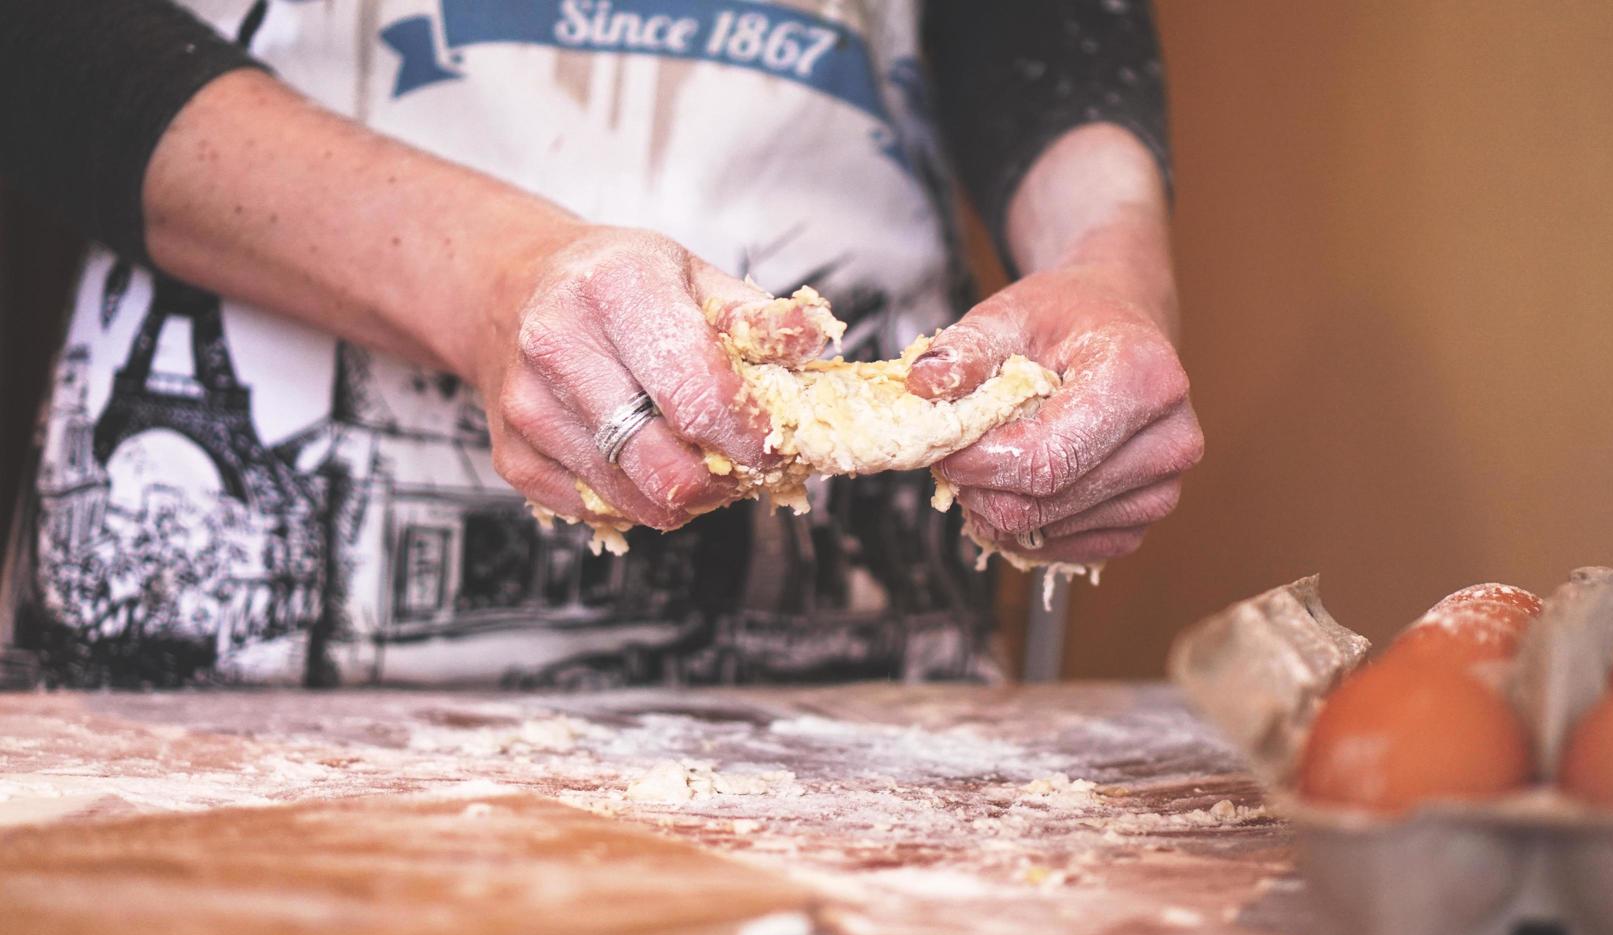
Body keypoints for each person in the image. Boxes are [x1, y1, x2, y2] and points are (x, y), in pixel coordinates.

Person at [0, 0, 1201, 689]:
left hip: (848, 667)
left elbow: (1035, 30)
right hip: (258, 619)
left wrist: (1107, 259)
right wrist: (483, 276)